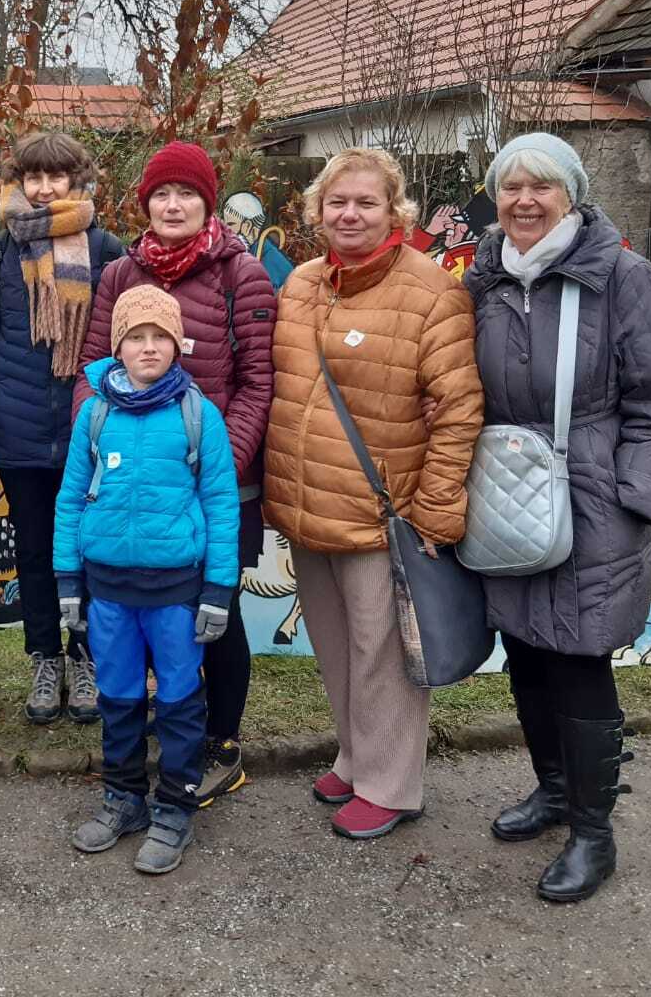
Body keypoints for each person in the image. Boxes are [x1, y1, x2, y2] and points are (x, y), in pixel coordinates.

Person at [464, 132, 651, 903]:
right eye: (509, 187)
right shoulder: (487, 276)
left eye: (542, 186)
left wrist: (635, 499)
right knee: (525, 652)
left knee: (578, 658)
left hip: (594, 498)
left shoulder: (619, 276)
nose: (524, 200)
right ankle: (554, 791)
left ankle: (593, 834)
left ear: (572, 194)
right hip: (507, 494)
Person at [262, 147, 483, 840]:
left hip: (381, 511)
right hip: (306, 503)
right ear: (316, 211)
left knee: (383, 653)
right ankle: (356, 757)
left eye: (365, 202)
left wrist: (438, 504)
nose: (349, 214)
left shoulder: (432, 291)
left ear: (395, 211)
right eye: (336, 202)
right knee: (333, 646)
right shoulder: (299, 284)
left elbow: (457, 406)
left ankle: (392, 784)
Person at [75, 141, 275, 802]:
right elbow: (93, 368)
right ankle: (170, 729)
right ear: (144, 203)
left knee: (216, 611)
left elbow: (256, 382)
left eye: (186, 193)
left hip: (217, 479)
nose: (172, 204)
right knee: (145, 608)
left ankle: (221, 741)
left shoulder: (238, 275)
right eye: (161, 193)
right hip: (134, 480)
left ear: (206, 203)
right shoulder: (118, 276)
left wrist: (216, 463)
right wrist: (97, 452)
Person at [56, 286, 240, 874]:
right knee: (119, 697)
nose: (148, 346)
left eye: (160, 336)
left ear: (177, 344)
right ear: (118, 346)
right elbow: (68, 499)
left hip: (176, 593)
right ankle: (124, 798)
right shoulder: (96, 411)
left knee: (182, 701)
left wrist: (218, 590)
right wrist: (66, 579)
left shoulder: (197, 413)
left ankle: (176, 807)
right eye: (136, 336)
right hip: (107, 587)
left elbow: (220, 502)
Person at [0, 131, 126, 724]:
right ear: (18, 181)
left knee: (90, 553)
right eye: (34, 177)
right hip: (18, 434)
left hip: (91, 435)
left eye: (57, 177)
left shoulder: (108, 252)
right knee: (37, 556)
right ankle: (46, 659)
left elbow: (129, 347)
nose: (45, 188)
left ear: (78, 181)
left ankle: (87, 660)